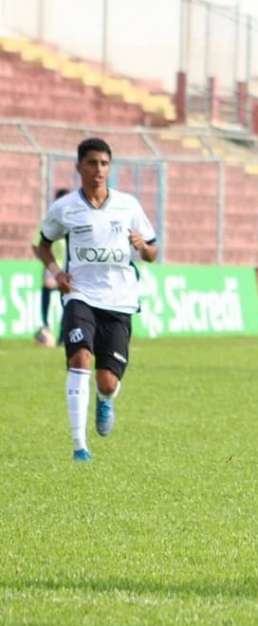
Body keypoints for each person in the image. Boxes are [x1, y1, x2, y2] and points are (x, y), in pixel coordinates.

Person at [36, 138, 159, 462]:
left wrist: (142, 247)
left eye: (104, 164)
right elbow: (43, 244)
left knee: (107, 381)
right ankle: (80, 447)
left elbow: (152, 253)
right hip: (80, 295)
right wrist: (56, 272)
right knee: (80, 359)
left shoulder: (128, 205)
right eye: (92, 163)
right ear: (79, 167)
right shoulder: (65, 208)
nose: (99, 170)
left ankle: (106, 400)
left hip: (119, 300)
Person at [30, 187, 71, 346]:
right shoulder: (49, 222)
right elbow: (36, 245)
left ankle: (62, 336)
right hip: (52, 267)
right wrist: (48, 265)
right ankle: (45, 326)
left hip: (69, 268)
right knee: (47, 291)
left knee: (66, 301)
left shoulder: (74, 223)